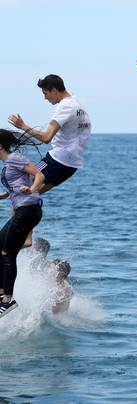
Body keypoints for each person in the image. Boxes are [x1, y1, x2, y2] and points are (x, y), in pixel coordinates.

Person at [8, 74, 91, 194]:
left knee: (22, 185)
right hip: (72, 165)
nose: (45, 98)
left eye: (45, 93)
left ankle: (6, 195)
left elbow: (46, 137)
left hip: (57, 160)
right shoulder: (78, 105)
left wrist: (23, 126)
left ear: (54, 90)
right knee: (31, 195)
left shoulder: (64, 106)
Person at [0, 130, 44, 317]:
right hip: (23, 210)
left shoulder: (14, 158)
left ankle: (7, 300)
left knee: (8, 253)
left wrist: (31, 189)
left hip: (28, 210)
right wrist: (2, 196)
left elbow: (39, 175)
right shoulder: (7, 163)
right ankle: (2, 294)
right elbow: (16, 185)